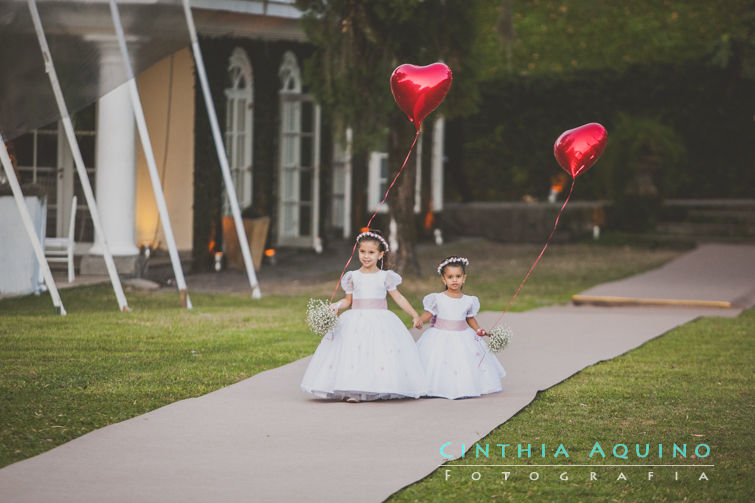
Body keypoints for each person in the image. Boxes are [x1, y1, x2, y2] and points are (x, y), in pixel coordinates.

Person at [300, 230, 428, 402]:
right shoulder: (353, 276)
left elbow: (398, 297)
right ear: (357, 251)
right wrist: (335, 306)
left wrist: (414, 314)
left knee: (378, 354)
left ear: (380, 254)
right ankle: (354, 390)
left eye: (371, 252)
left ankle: (377, 387)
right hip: (355, 320)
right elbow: (348, 301)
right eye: (362, 251)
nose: (366, 256)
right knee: (355, 354)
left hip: (380, 321)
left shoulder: (384, 276)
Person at [416, 256, 506, 399]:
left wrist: (478, 329)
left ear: (464, 278)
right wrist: (420, 320)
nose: (454, 280)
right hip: (440, 336)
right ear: (443, 279)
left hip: (463, 335)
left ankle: (464, 387)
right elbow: (429, 313)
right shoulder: (438, 298)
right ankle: (438, 387)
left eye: (458, 276)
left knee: (462, 363)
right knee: (439, 362)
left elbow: (470, 318)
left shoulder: (468, 301)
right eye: (450, 277)